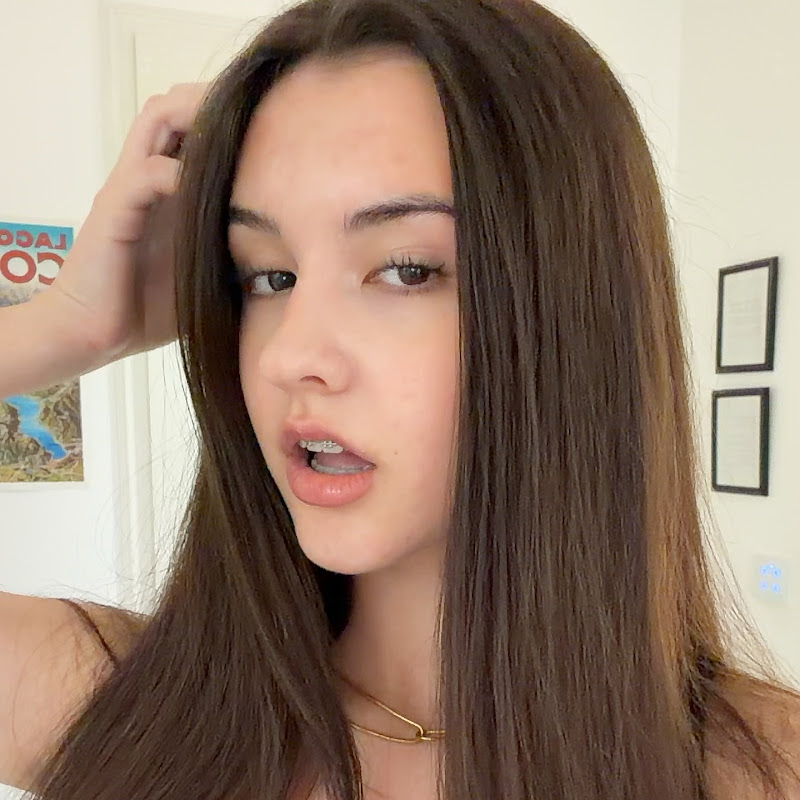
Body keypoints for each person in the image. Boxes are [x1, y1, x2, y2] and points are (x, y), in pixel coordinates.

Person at [1, 0, 799, 798]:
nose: (288, 356)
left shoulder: (763, 768)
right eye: (269, 276)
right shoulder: (118, 704)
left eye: (407, 270)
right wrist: (65, 325)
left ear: (573, 313)